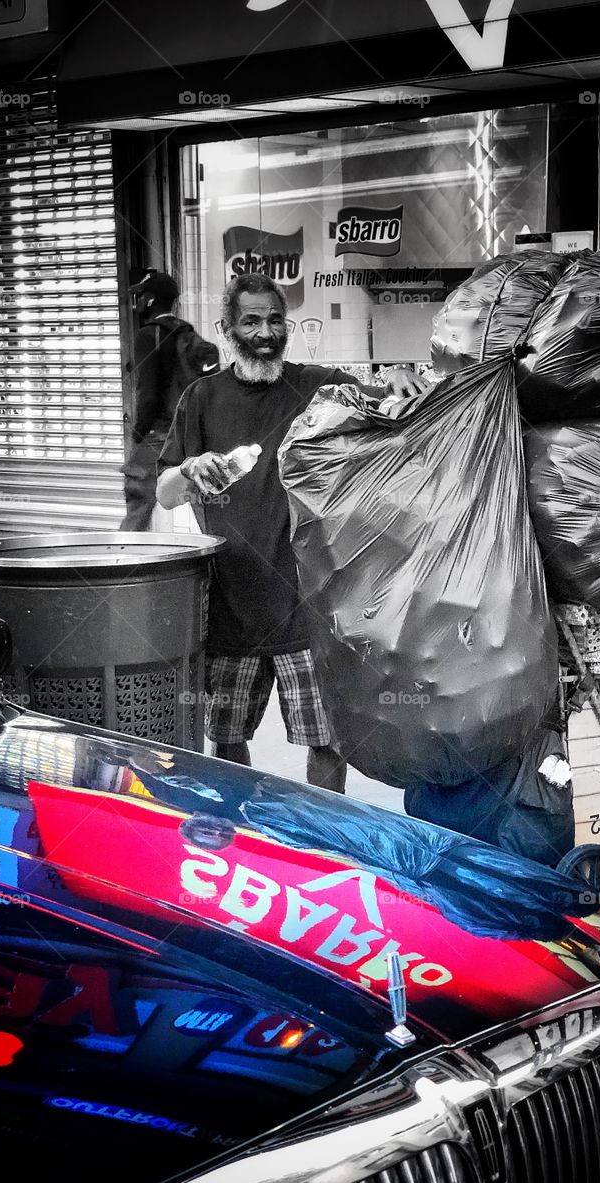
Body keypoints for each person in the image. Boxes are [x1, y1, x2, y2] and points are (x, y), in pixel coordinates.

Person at [157, 271, 424, 792]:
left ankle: (323, 840)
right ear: (227, 328)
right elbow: (165, 491)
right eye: (251, 321)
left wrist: (397, 375)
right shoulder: (202, 398)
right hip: (231, 610)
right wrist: (190, 470)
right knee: (228, 742)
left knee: (327, 741)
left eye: (275, 319)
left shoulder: (315, 386)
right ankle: (241, 833)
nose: (265, 332)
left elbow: (384, 400)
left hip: (308, 611)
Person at [119, 269, 219, 532]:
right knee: (204, 502)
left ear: (150, 300)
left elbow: (148, 395)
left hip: (159, 437)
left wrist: (138, 434)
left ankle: (123, 565)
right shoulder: (188, 334)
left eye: (139, 296)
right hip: (192, 436)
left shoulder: (148, 334)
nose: (136, 302)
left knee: (138, 507)